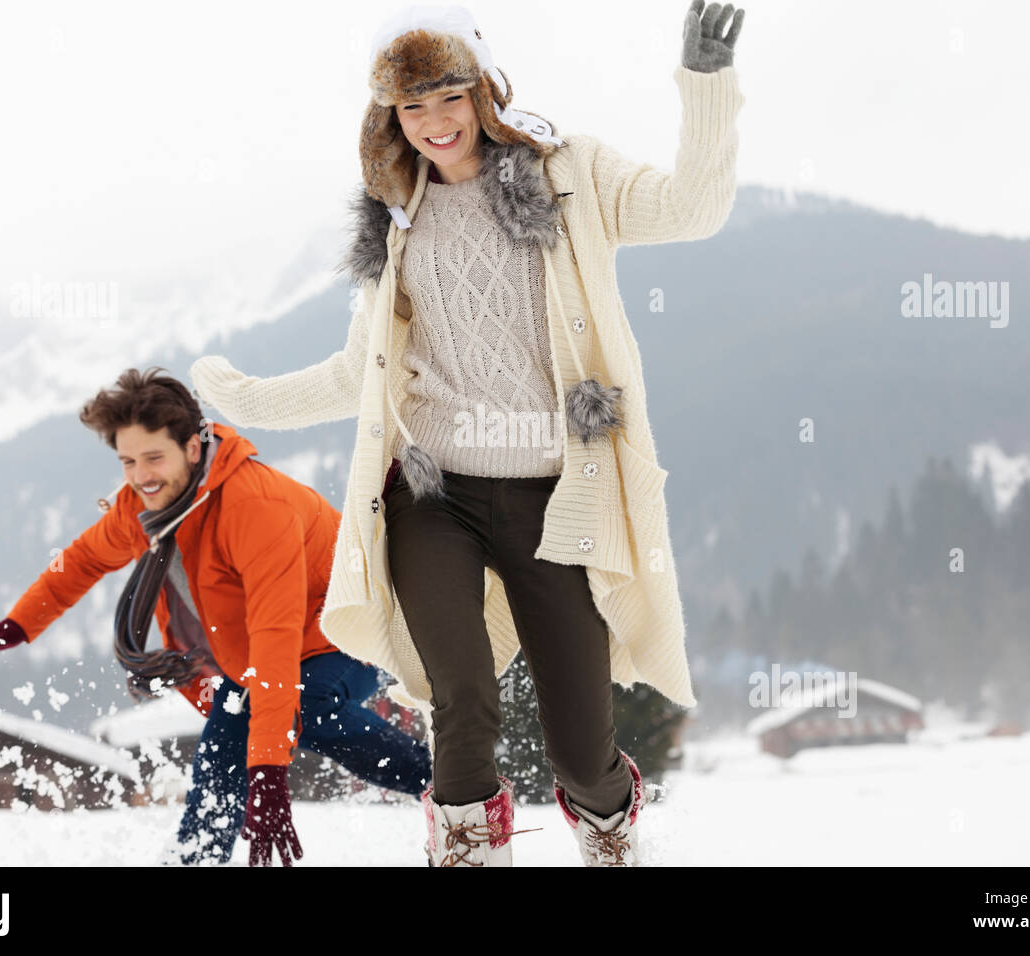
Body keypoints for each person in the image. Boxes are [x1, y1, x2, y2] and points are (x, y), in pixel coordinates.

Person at [190, 1, 746, 866]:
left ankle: (607, 820)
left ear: (484, 92)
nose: (436, 122)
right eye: (413, 107)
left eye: (449, 96)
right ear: (391, 119)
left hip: (556, 494)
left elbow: (692, 209)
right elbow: (357, 376)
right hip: (432, 495)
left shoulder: (571, 174)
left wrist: (706, 89)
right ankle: (465, 848)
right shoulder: (395, 225)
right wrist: (241, 399)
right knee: (461, 697)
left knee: (577, 739)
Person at [0, 367, 431, 866]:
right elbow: (82, 560)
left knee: (304, 706)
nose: (141, 476)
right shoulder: (148, 509)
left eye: (154, 457)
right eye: (128, 461)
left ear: (191, 446)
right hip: (259, 659)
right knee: (226, 733)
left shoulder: (254, 507)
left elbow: (276, 636)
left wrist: (269, 776)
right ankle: (194, 860)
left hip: (347, 632)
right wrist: (15, 627)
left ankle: (447, 786)